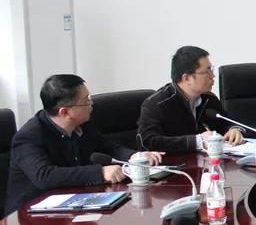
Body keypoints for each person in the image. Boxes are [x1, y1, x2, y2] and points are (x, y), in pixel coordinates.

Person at [7, 75, 163, 213]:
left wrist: (134, 156)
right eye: (86, 101)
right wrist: (100, 172)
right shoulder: (29, 136)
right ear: (65, 112)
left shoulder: (83, 124)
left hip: (76, 201)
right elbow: (45, 175)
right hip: (33, 215)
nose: (91, 104)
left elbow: (108, 147)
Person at [137, 46, 245, 153]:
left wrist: (234, 130)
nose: (213, 76)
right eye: (207, 71)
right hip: (173, 163)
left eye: (211, 69)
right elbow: (147, 142)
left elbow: (226, 123)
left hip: (205, 161)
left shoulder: (209, 98)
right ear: (187, 78)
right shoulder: (157, 104)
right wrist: (197, 141)